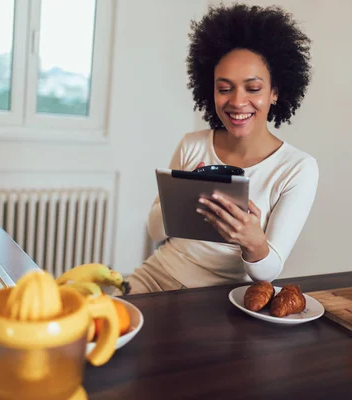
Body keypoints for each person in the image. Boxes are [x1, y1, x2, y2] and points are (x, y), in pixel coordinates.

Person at [127, 3, 318, 294]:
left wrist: (252, 240)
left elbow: (268, 272)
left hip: (219, 298)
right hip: (156, 275)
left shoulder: (297, 169)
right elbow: (155, 232)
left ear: (275, 92)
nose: (237, 102)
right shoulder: (192, 145)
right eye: (224, 88)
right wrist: (184, 193)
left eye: (253, 88)